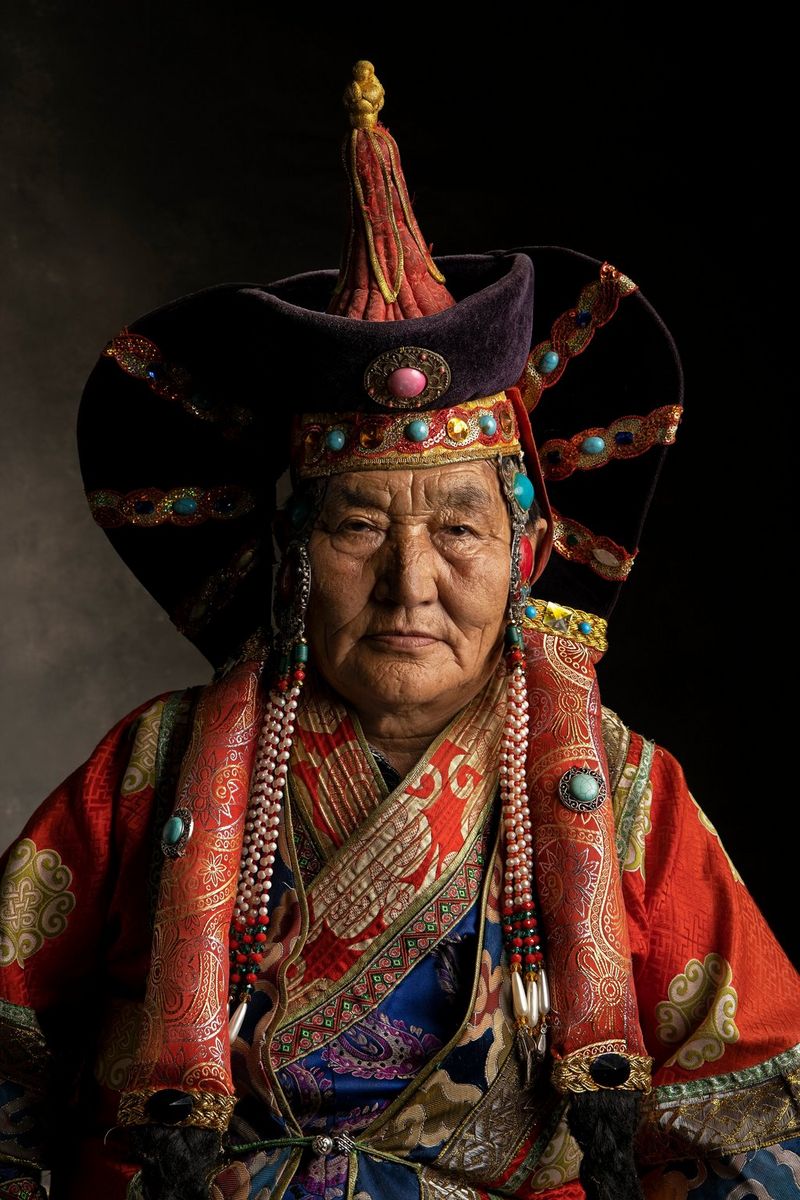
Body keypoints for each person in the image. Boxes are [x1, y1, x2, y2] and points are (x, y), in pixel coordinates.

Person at [1, 60, 798, 1200]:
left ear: (525, 555)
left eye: (460, 532)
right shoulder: (150, 769)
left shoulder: (622, 794)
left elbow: (756, 1107)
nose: (410, 582)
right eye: (359, 527)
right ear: (288, 552)